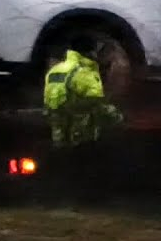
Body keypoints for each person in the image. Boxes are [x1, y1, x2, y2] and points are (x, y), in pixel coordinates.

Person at [42, 34, 124, 202]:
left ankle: (61, 199)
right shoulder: (84, 73)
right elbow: (96, 104)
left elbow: (50, 102)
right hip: (82, 131)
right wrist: (118, 118)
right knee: (86, 166)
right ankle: (87, 199)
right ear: (90, 52)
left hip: (59, 131)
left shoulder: (55, 70)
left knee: (64, 165)